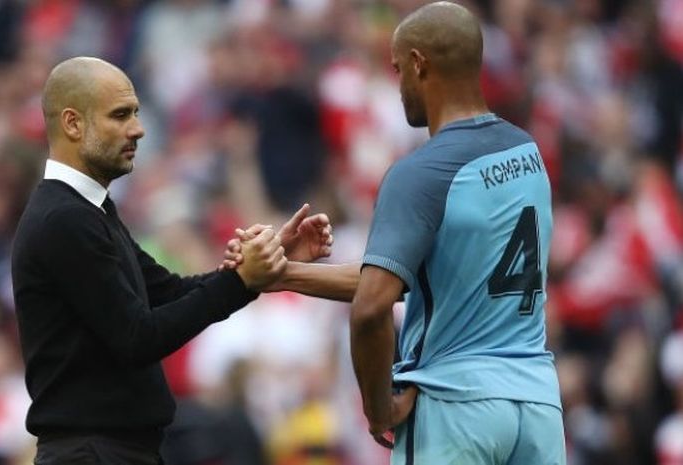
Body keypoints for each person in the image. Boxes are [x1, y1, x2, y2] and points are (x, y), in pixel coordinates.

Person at [226, 2, 565, 464]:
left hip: (456, 406)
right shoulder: (527, 153)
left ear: (420, 64)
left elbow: (372, 306)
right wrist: (283, 274)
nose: (399, 83)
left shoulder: (421, 173)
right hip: (537, 403)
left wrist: (378, 407)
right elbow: (417, 281)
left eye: (399, 68)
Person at [11, 56, 332, 465]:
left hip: (112, 450)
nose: (138, 129)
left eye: (136, 114)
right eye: (120, 115)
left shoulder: (87, 210)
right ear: (73, 124)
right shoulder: (64, 218)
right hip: (92, 453)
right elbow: (138, 337)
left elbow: (167, 292)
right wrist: (241, 282)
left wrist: (263, 264)